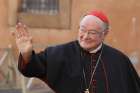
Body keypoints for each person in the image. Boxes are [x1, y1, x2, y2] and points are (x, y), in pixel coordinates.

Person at [13, 10, 140, 93]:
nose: (85, 36)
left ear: (104, 34)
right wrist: (26, 54)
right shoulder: (59, 53)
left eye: (92, 32)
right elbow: (33, 68)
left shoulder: (120, 60)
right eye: (82, 30)